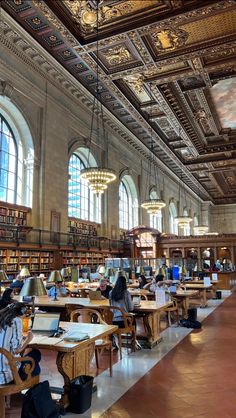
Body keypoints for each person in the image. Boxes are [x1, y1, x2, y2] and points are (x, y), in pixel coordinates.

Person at [0, 302, 41, 384]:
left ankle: (16, 396)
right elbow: (17, 350)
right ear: (22, 312)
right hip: (5, 375)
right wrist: (28, 339)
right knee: (35, 354)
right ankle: (32, 391)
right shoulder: (16, 320)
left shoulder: (2, 319)